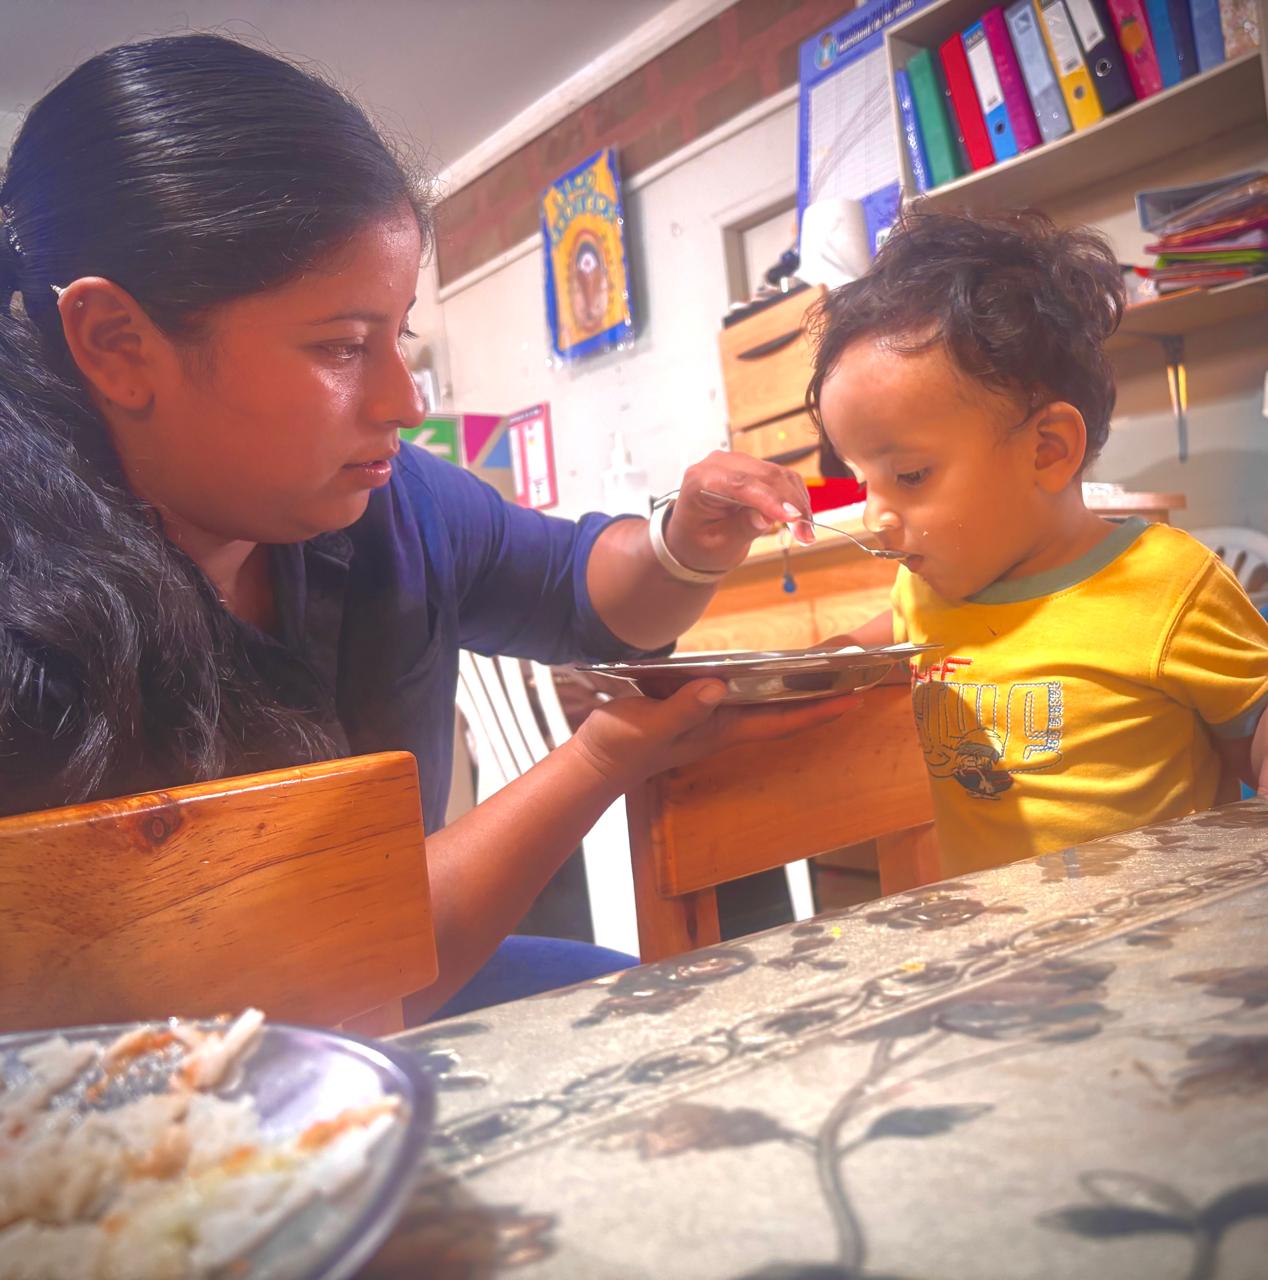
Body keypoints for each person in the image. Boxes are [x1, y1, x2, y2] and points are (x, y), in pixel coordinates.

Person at [0, 33, 849, 1019]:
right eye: (340, 345)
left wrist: (684, 541)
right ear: (116, 343)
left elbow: (584, 590)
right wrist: (602, 758)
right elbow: (303, 991)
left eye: (396, 331)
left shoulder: (393, 506)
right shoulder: (30, 641)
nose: (404, 401)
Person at [807, 209, 1268, 875]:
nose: (876, 516)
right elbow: (888, 635)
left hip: (1154, 928)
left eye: (909, 476)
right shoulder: (924, 588)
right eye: (863, 482)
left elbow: (1253, 729)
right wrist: (824, 661)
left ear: (1047, 451)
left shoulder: (1168, 585)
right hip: (1002, 933)